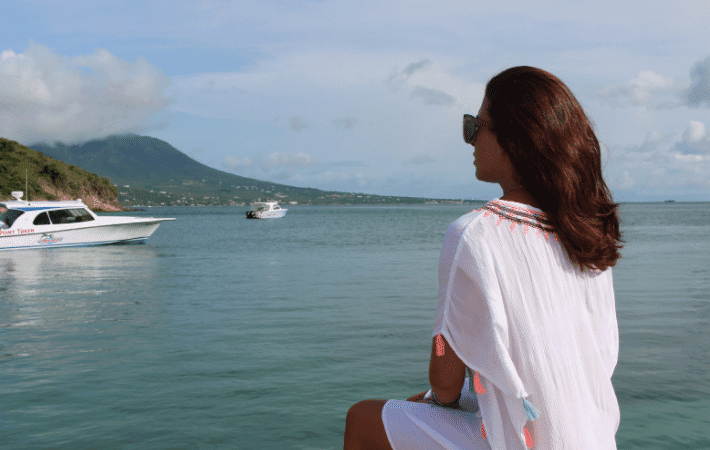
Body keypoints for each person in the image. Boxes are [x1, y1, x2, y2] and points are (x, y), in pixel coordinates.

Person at [344, 66, 622, 450]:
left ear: (512, 138)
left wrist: (436, 404)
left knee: (363, 419)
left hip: (525, 442)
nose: (470, 140)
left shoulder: (475, 233)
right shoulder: (587, 236)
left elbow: (444, 376)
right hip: (595, 438)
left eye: (476, 126)